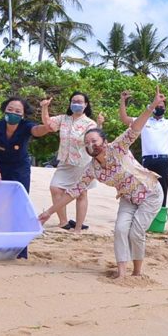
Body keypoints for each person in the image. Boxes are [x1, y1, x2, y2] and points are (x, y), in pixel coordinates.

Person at [39, 88, 167, 278]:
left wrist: (151, 106)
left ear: (104, 141)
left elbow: (135, 128)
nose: (91, 145)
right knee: (120, 230)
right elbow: (73, 192)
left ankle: (137, 273)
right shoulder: (91, 168)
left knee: (135, 232)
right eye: (87, 143)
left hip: (150, 193)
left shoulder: (118, 148)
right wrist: (48, 212)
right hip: (127, 198)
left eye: (94, 141)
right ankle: (122, 272)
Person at [0, 97, 54, 259]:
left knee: (18, 206)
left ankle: (20, 251)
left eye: (18, 111)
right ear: (4, 110)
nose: (13, 113)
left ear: (23, 115)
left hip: (18, 169)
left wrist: (45, 115)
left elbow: (40, 130)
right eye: (10, 109)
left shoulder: (26, 126)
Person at [117, 89, 168, 206]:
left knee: (162, 190)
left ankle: (160, 217)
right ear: (152, 106)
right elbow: (124, 119)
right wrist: (122, 101)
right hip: (147, 161)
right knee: (146, 190)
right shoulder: (143, 121)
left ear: (165, 108)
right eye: (157, 105)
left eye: (162, 106)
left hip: (163, 161)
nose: (159, 108)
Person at [42, 91, 103, 232]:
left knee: (81, 194)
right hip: (65, 161)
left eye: (80, 102)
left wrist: (99, 125)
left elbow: (95, 139)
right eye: (74, 101)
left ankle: (78, 227)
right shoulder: (63, 119)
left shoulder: (89, 123)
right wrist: (45, 107)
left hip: (82, 163)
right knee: (55, 188)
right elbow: (48, 124)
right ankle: (63, 222)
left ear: (85, 105)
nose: (76, 104)